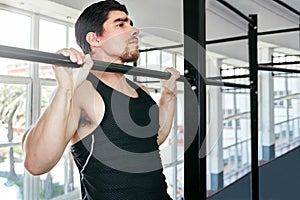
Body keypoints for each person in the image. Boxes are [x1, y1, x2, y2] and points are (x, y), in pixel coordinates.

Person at [22, 0, 180, 199]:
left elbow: (152, 141)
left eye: (131, 24)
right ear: (95, 39)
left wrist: (169, 95)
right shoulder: (81, 91)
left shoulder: (141, 90)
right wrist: (65, 89)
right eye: (121, 24)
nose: (134, 30)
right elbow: (36, 164)